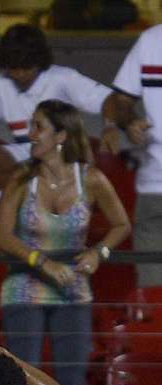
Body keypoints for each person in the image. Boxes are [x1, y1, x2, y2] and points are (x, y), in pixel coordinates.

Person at [0, 99, 130, 385]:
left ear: (61, 137)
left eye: (38, 128)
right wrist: (41, 261)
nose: (30, 135)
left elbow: (122, 224)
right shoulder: (22, 178)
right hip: (25, 290)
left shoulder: (90, 179)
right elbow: (2, 236)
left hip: (73, 292)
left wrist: (99, 253)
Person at [0, 24, 116, 201]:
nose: (19, 74)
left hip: (63, 150)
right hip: (27, 151)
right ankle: (27, 196)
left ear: (39, 62)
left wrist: (110, 126)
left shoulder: (62, 78)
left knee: (31, 174)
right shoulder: (2, 84)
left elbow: (110, 100)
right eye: (13, 68)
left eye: (26, 68)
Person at [103, 24, 162, 287]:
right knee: (153, 295)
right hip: (154, 185)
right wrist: (130, 122)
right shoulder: (150, 41)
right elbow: (120, 102)